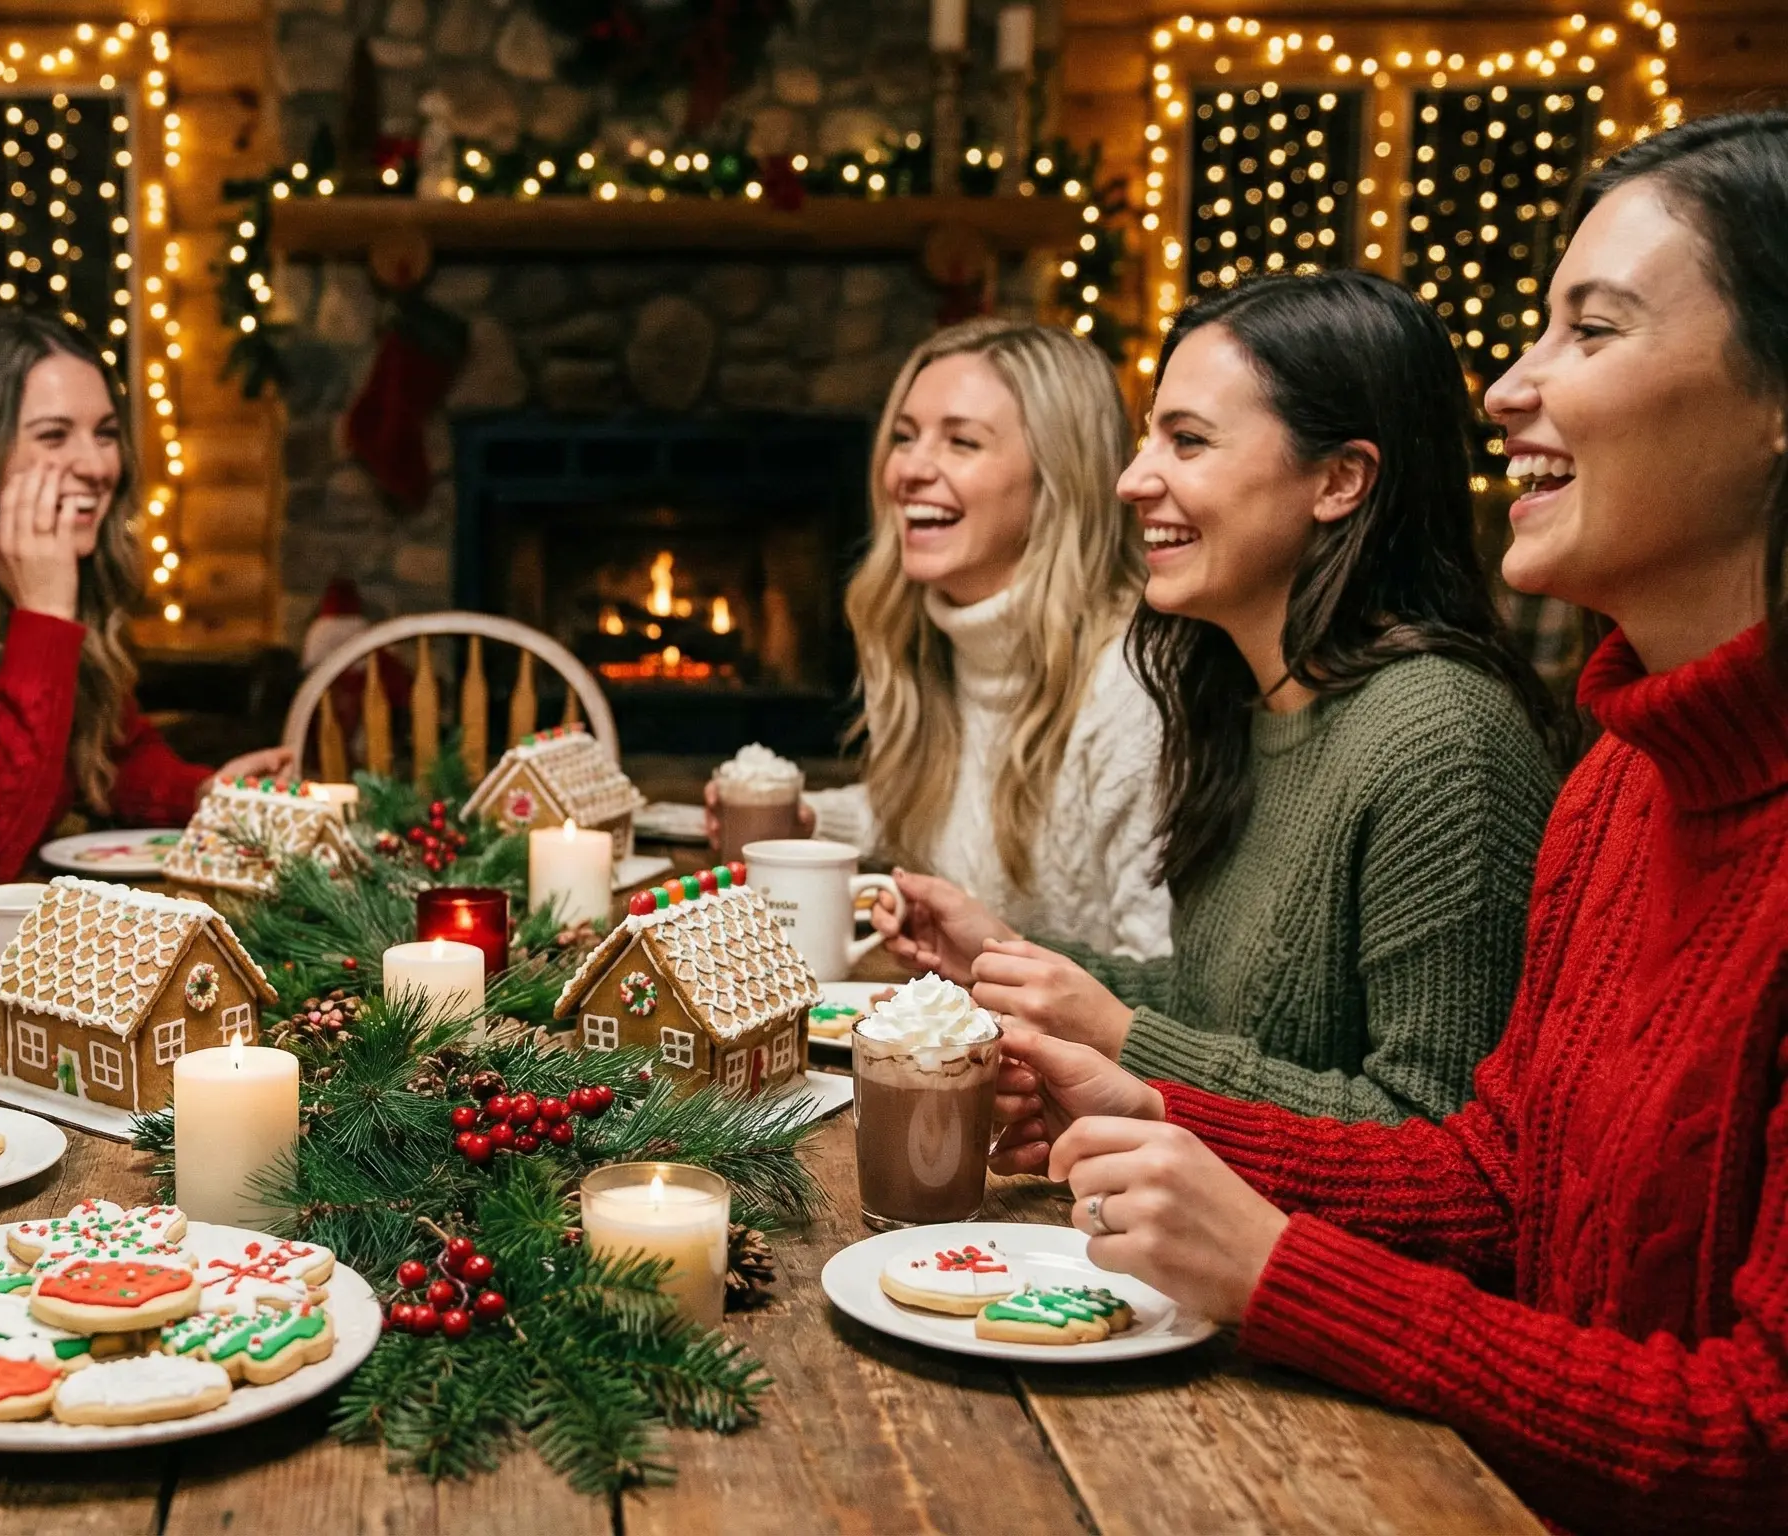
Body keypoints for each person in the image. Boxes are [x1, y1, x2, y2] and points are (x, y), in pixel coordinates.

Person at [985, 111, 1788, 1531]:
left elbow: (1756, 1435)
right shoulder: (1619, 784)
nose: (1508, 389)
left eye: (1591, 332)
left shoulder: (1446, 735)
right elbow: (1495, 1179)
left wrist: (1280, 1266)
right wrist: (1152, 1106)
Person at [883, 271, 1565, 1122]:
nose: (1133, 480)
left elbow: (1442, 1141)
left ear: (1339, 481)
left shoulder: (1442, 742)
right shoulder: (1248, 700)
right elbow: (1231, 1011)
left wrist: (1126, 1044)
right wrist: (1009, 956)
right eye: (1146, 439)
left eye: (1189, 442)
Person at [715, 318, 1172, 956]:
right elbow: (947, 814)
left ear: (1055, 481)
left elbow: (1162, 979)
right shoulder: (936, 636)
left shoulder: (1132, 688)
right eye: (904, 437)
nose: (909, 469)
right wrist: (812, 823)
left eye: (961, 442)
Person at [0, 308, 288, 882]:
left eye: (105, 434)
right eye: (54, 435)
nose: (98, 466)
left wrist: (206, 795)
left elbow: (112, 755)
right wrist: (43, 617)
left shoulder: (61, 569)